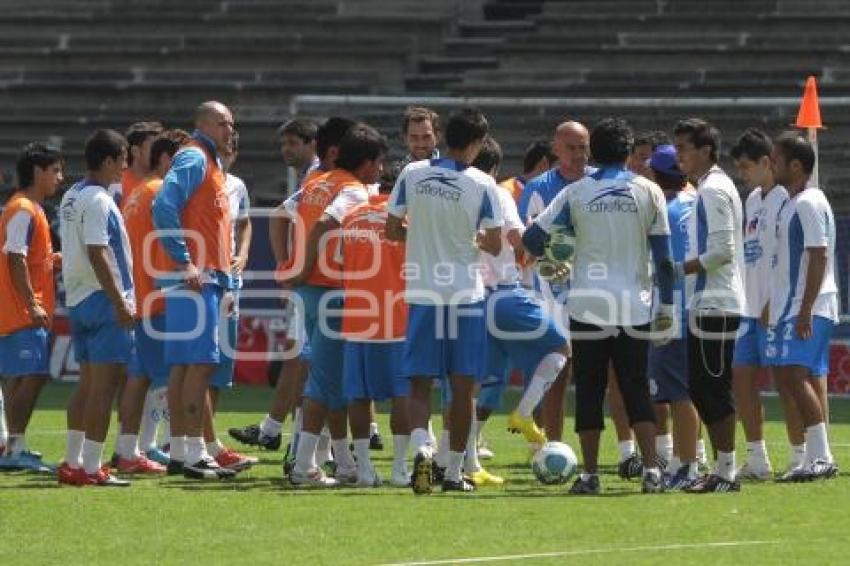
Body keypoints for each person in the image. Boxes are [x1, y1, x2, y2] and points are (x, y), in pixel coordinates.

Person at [522, 117, 674, 495]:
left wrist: (559, 255)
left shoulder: (576, 193)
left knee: (588, 388)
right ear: (627, 153)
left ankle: (589, 475)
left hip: (588, 304)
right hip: (635, 306)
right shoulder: (649, 191)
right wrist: (667, 306)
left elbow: (532, 237)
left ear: (593, 152)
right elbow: (666, 259)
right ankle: (652, 471)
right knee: (636, 387)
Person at [228, 118, 356, 477]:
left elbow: (286, 217)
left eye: (291, 144)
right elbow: (294, 219)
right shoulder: (323, 180)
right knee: (311, 364)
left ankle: (302, 445)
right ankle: (307, 451)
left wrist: (292, 267)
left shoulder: (322, 178)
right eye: (283, 144)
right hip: (323, 285)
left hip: (316, 284)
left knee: (308, 363)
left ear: (315, 145)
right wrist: (292, 267)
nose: (286, 151)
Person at [387, 107, 504, 494]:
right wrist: (469, 239)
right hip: (465, 294)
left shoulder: (412, 174)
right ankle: (453, 472)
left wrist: (421, 237)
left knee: (419, 383)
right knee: (463, 387)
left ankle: (422, 447)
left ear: (443, 136)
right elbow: (494, 242)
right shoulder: (484, 184)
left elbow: (392, 228)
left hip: (422, 291)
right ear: (475, 144)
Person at [279, 121, 374, 487]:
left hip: (311, 292)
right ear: (365, 163)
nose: (379, 171)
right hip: (330, 290)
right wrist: (302, 266)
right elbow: (323, 225)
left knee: (330, 380)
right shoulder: (353, 190)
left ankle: (345, 463)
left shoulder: (316, 182)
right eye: (377, 164)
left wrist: (293, 265)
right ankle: (304, 467)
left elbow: (287, 218)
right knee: (323, 381)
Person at [473, 135, 569, 485]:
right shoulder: (498, 193)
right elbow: (519, 240)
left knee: (491, 381)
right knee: (561, 346)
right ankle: (525, 413)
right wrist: (548, 259)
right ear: (496, 166)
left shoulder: (461, 192)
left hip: (473, 297)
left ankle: (468, 462)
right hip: (505, 292)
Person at [152, 101, 237, 481]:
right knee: (201, 362)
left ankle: (182, 450)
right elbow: (163, 204)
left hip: (201, 276)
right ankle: (193, 452)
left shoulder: (211, 163)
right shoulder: (195, 157)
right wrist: (184, 260)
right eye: (222, 122)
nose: (229, 129)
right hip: (194, 277)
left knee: (186, 365)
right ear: (202, 123)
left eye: (231, 123)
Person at [57, 129, 134, 487]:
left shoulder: (71, 194)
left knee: (86, 386)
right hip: (103, 302)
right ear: (107, 161)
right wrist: (120, 302)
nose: (125, 167)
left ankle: (73, 462)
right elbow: (98, 250)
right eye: (122, 160)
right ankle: (91, 468)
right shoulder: (101, 200)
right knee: (104, 389)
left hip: (77, 299)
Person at [672, 118, 746, 493]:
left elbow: (722, 251)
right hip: (706, 301)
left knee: (712, 387)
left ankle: (726, 472)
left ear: (706, 150)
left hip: (715, 302)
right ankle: (722, 470)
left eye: (684, 148)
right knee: (703, 386)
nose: (678, 155)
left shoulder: (714, 190)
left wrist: (676, 269)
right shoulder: (708, 188)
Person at [115, 130, 190, 475]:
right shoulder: (160, 192)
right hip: (159, 298)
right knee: (169, 382)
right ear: (166, 160)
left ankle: (127, 451)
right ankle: (185, 449)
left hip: (141, 295)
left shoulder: (140, 192)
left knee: (139, 377)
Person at [767, 132, 838, 482]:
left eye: (776, 160)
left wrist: (806, 308)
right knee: (786, 376)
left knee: (796, 375)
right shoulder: (793, 202)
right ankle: (810, 456)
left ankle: (822, 456)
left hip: (807, 304)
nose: (771, 165)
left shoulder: (809, 202)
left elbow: (819, 254)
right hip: (789, 306)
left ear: (795, 165)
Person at [334, 125, 400, 486]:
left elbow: (341, 266)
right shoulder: (406, 220)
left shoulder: (352, 217)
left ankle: (363, 469)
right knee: (404, 393)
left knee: (358, 396)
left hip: (357, 322)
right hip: (397, 320)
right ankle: (401, 467)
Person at [729, 129, 790, 480]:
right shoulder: (751, 200)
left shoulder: (787, 199)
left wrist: (774, 302)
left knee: (788, 383)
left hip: (776, 308)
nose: (743, 174)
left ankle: (803, 455)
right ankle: (757, 459)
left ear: (767, 162)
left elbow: (786, 257)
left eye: (747, 166)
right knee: (742, 381)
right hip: (747, 308)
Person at [0, 142, 63, 472]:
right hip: (22, 312)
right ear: (37, 172)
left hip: (19, 311)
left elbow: (27, 257)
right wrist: (32, 303)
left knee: (21, 377)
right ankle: (14, 448)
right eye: (55, 171)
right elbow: (15, 256)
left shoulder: (28, 208)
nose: (59, 178)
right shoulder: (23, 208)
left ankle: (14, 446)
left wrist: (54, 261)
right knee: (32, 375)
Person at [644, 144, 701, 489]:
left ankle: (686, 465)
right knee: (685, 392)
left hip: (671, 312)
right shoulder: (696, 203)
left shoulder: (667, 211)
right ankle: (686, 460)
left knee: (678, 394)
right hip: (696, 307)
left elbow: (664, 266)